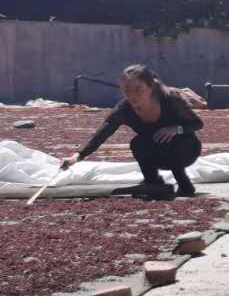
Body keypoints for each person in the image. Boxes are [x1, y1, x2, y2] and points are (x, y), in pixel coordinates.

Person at [61, 64, 204, 198]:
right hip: (157, 152)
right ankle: (153, 183)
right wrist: (77, 156)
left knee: (174, 140)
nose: (132, 96)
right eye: (126, 91)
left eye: (138, 90)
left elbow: (197, 123)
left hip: (186, 150)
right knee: (137, 142)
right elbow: (101, 134)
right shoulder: (124, 109)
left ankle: (185, 185)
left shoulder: (170, 99)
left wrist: (176, 129)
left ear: (151, 86)